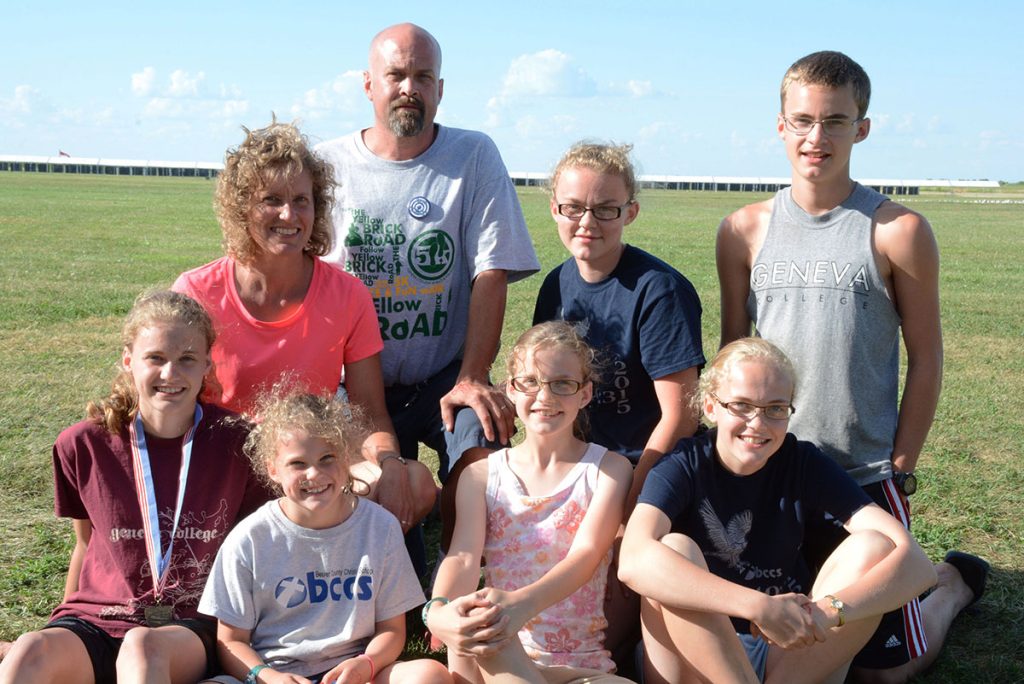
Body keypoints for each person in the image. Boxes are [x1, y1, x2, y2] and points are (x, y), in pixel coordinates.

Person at [716, 50, 987, 682]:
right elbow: (734, 350)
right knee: (779, 631)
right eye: (803, 120)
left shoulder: (898, 229)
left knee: (883, 672)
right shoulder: (743, 230)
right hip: (771, 464)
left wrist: (903, 461)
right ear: (779, 125)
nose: (817, 137)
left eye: (835, 121)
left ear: (861, 127)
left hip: (861, 471)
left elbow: (926, 354)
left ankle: (948, 589)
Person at [315, 22, 540, 558]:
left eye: (423, 76)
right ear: (369, 85)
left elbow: (491, 269)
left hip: (444, 375)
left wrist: (472, 376)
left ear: (440, 88)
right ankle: (405, 541)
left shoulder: (473, 155)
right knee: (375, 513)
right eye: (395, 75)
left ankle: (460, 561)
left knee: (482, 455)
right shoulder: (328, 165)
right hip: (358, 384)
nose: (409, 88)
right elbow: (313, 281)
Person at [619, 338, 937, 684]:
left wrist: (826, 613)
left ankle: (954, 591)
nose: (758, 423)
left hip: (784, 653)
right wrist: (758, 607)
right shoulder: (682, 465)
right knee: (672, 550)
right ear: (711, 406)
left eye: (775, 409)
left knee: (873, 547)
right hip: (695, 653)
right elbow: (633, 560)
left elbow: (917, 565)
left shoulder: (802, 462)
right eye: (741, 405)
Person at [173, 121, 437, 539]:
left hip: (312, 464)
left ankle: (329, 565)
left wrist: (388, 464)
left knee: (416, 481)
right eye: (271, 201)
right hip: (224, 465)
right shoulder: (196, 293)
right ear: (241, 209)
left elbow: (368, 412)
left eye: (302, 200)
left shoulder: (347, 294)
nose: (289, 215)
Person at [0, 290, 270, 684]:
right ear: (129, 360)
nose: (170, 374)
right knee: (27, 653)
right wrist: (56, 624)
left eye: (187, 360)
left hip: (188, 625)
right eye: (155, 358)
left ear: (207, 365)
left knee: (143, 650)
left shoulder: (239, 443)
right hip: (99, 618)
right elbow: (86, 543)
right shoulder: (81, 445)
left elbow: (261, 543)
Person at [425, 322, 634, 684]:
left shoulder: (608, 470)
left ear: (585, 394)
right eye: (530, 382)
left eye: (562, 384)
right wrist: (438, 610)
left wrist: (519, 605)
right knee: (490, 627)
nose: (545, 397)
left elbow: (584, 557)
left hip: (579, 666)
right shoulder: (481, 476)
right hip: (496, 654)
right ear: (510, 389)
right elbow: (461, 557)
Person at [198, 392, 451, 684]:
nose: (314, 474)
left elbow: (392, 631)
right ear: (272, 469)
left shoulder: (380, 526)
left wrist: (366, 664)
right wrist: (266, 677)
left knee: (428, 675)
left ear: (346, 458)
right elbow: (230, 642)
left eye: (327, 458)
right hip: (275, 674)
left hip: (355, 673)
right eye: (297, 464)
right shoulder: (249, 539)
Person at [532, 141, 705, 508]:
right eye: (573, 208)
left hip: (650, 467)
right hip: (582, 463)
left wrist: (629, 502)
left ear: (630, 212)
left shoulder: (659, 291)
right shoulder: (555, 286)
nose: (587, 223)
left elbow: (682, 416)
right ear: (554, 209)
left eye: (605, 210)